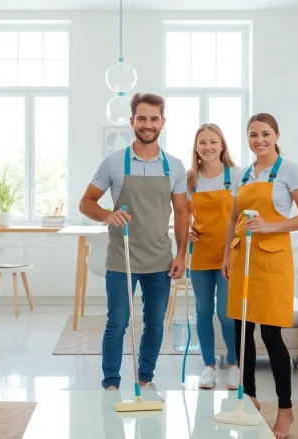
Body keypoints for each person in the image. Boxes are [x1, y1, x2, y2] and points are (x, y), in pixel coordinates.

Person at [79, 93, 189, 396]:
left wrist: (181, 253)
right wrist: (106, 214)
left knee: (154, 325)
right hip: (122, 258)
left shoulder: (175, 167)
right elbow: (86, 203)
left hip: (160, 260)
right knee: (117, 323)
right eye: (142, 118)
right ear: (132, 122)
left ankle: (145, 379)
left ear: (163, 122)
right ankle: (111, 384)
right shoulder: (113, 163)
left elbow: (182, 213)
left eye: (154, 119)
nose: (148, 124)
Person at [222, 113, 298, 439]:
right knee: (241, 331)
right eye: (252, 135)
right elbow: (233, 217)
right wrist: (225, 257)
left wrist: (271, 226)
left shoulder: (289, 170)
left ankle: (286, 409)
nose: (259, 140)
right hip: (242, 257)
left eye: (264, 134)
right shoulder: (243, 174)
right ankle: (248, 397)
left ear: (276, 135)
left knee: (271, 335)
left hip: (273, 261)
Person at [185, 123, 241, 390]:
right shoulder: (189, 180)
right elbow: (180, 215)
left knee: (226, 313)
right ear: (196, 148)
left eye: (213, 142)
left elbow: (246, 213)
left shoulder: (238, 175)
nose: (208, 147)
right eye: (202, 142)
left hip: (229, 255)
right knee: (203, 312)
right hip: (201, 255)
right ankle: (208, 367)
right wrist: (185, 232)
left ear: (222, 144)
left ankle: (233, 364)